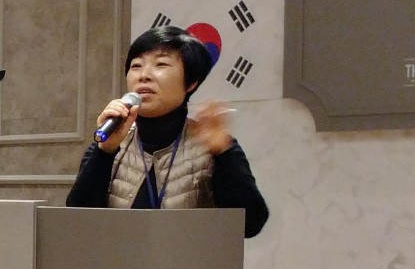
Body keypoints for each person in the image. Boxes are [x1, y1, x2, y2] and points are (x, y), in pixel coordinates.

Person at [65, 26, 269, 238]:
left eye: (161, 64)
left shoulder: (213, 146)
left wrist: (224, 154)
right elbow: (77, 224)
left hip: (188, 260)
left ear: (190, 83)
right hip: (119, 259)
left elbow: (250, 225)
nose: (144, 75)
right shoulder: (109, 141)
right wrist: (104, 153)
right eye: (136, 66)